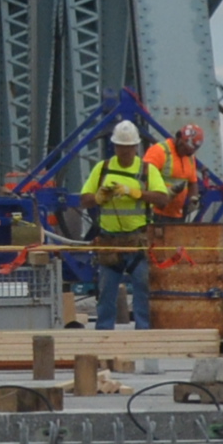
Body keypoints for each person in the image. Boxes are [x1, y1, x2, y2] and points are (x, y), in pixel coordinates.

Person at [77, 118, 156, 331]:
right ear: (115, 146)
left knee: (142, 289)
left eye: (129, 148)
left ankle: (143, 332)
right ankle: (104, 334)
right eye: (122, 147)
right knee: (105, 292)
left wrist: (137, 193)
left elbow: (163, 198)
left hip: (136, 240)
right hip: (110, 241)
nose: (125, 152)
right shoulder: (102, 169)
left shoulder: (147, 170)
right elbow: (84, 200)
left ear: (135, 147)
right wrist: (99, 198)